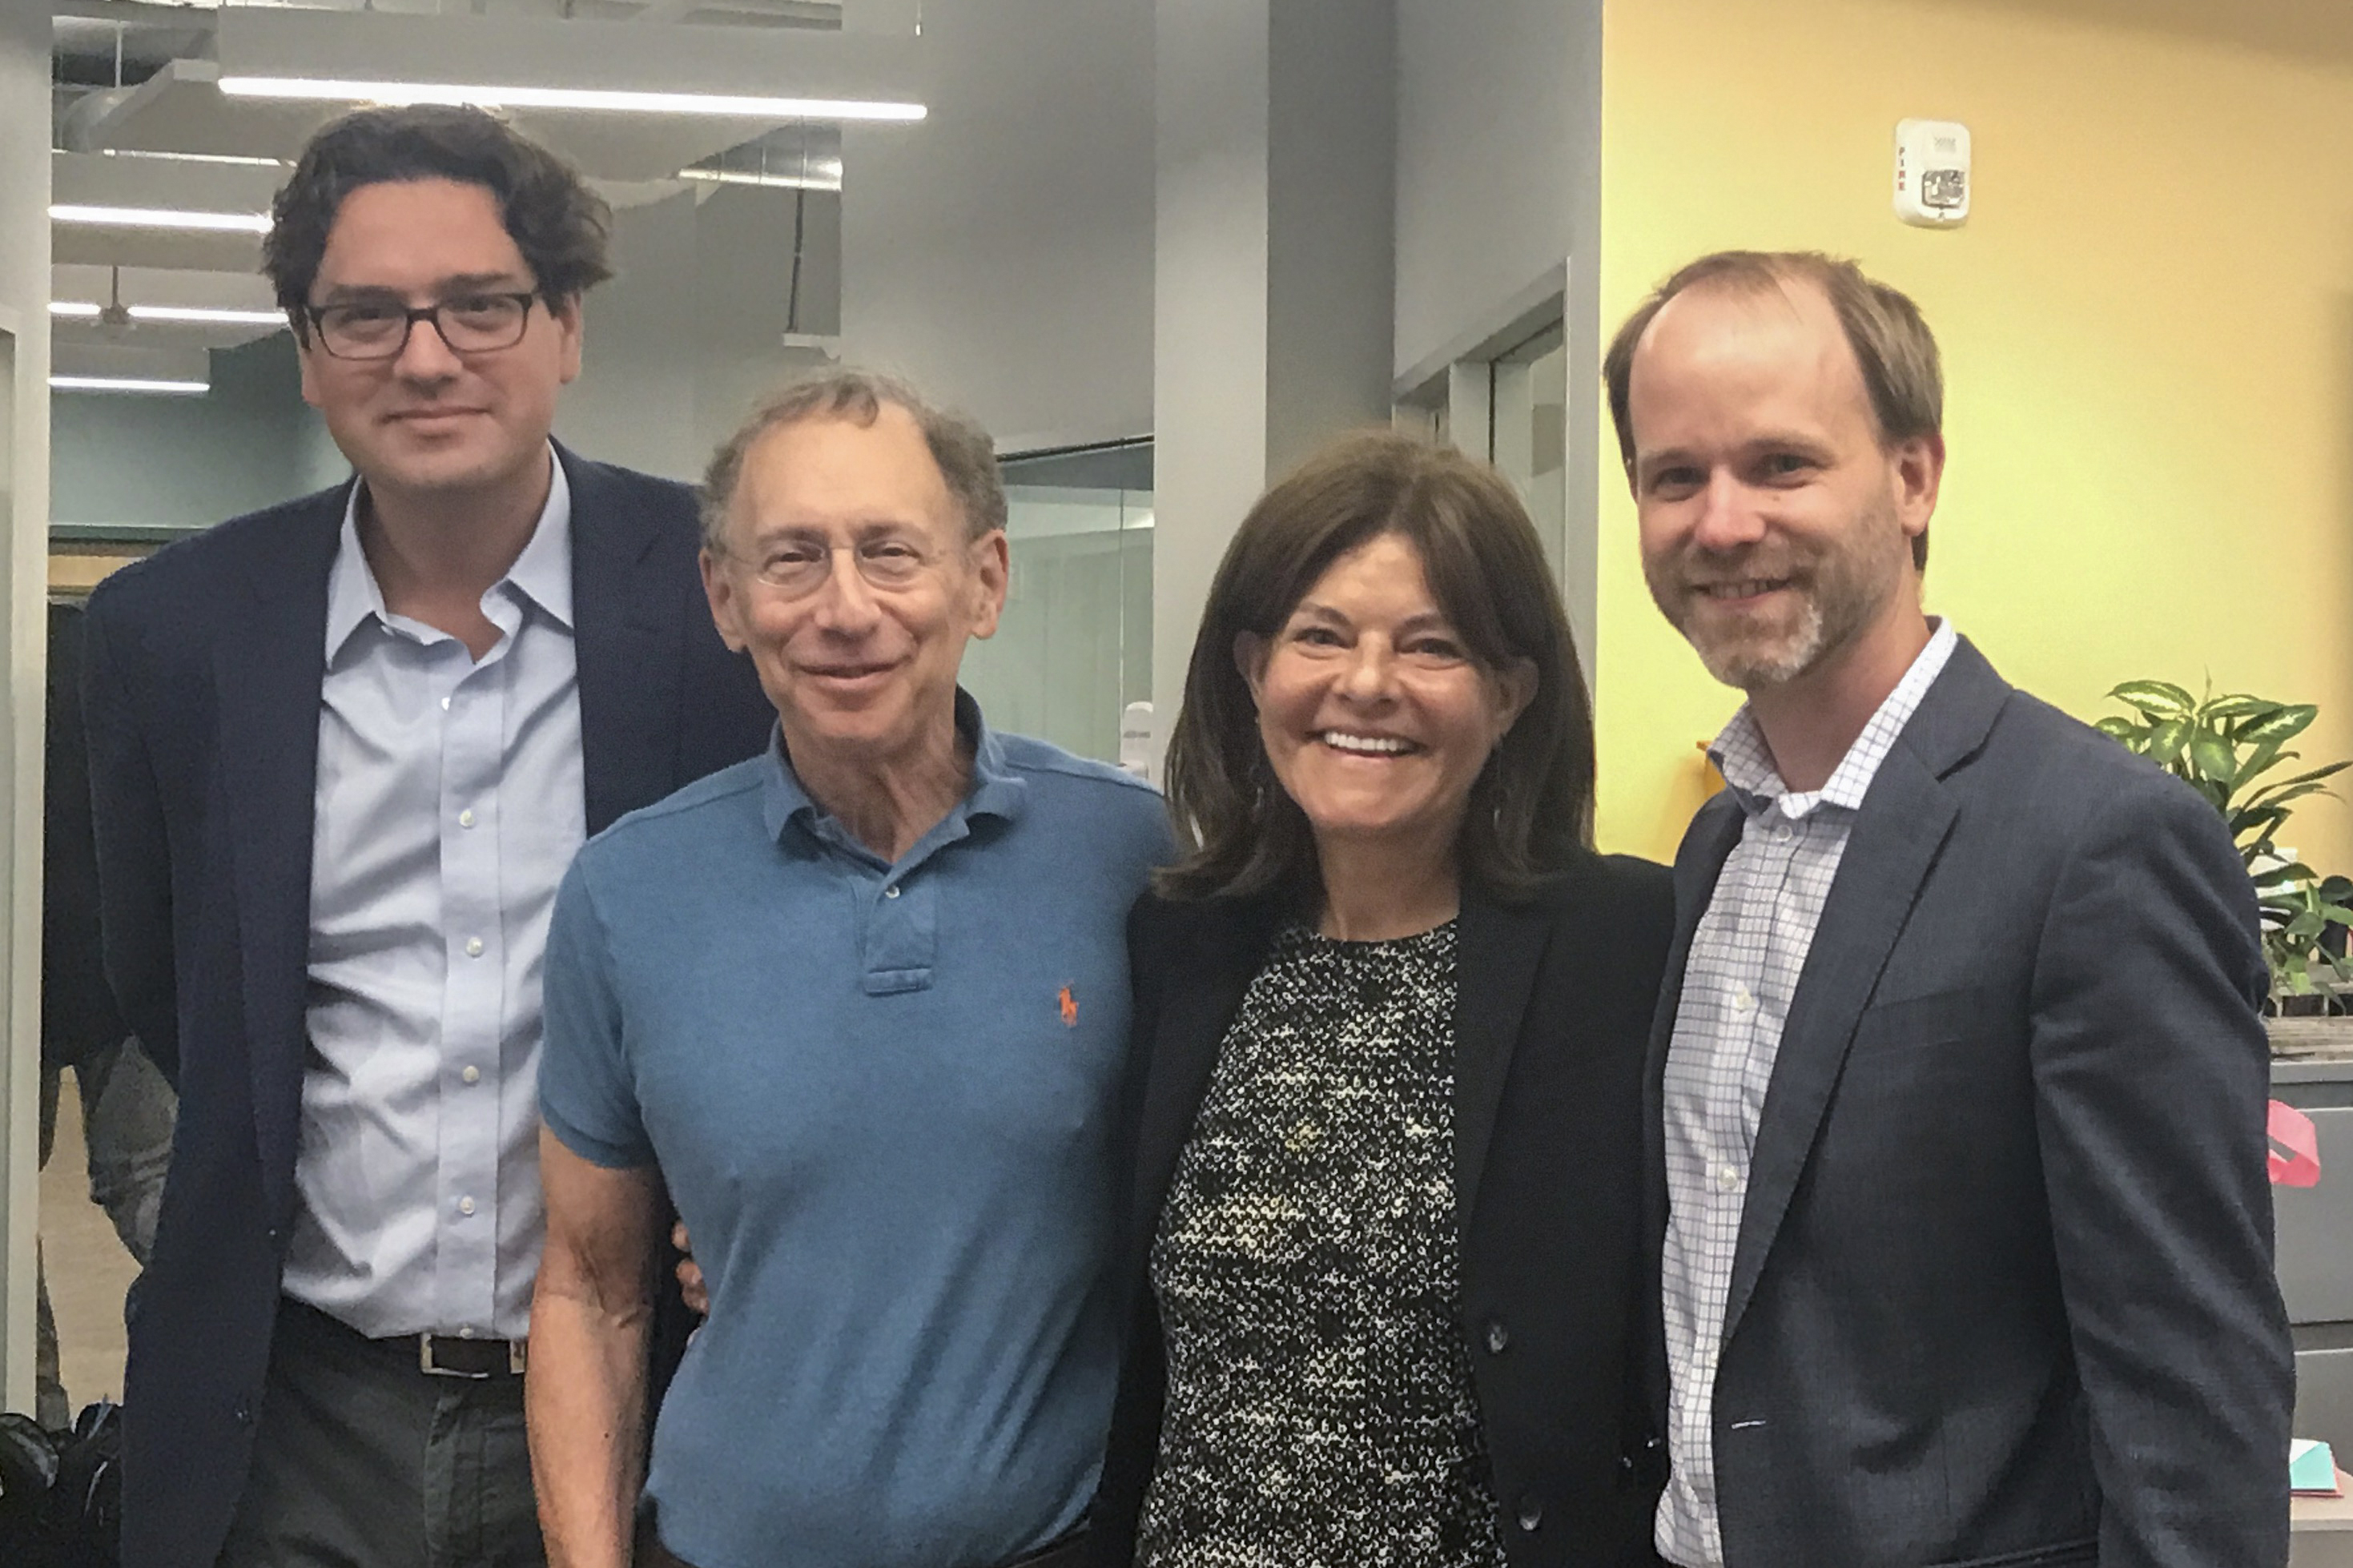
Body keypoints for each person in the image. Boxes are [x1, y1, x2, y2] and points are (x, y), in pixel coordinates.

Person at [80, 105, 774, 1568]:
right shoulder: (172, 633)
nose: (426, 355)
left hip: (652, 1396)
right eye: (365, 315)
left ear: (566, 325)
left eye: (479, 304)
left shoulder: (727, 606)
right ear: (305, 341)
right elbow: (170, 992)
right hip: (291, 1416)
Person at [1605, 249, 2294, 1568]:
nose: (1723, 521)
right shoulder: (1716, 844)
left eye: (1781, 464)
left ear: (1913, 478)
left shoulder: (2097, 843)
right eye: (1673, 476)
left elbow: (2190, 1391)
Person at [528, 369, 1172, 1568]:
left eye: (889, 551)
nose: (843, 606)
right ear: (725, 597)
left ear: (984, 579)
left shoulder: (1136, 855)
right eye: (791, 558)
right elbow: (588, 1290)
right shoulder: (626, 892)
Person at [1089, 431, 1675, 1567]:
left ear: (1508, 695)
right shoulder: (1181, 940)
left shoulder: (1625, 945)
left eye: (1431, 645)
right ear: (1253, 668)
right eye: (1320, 635)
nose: (1365, 683)